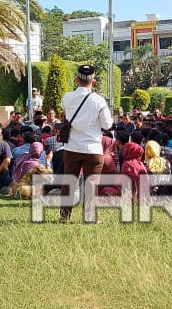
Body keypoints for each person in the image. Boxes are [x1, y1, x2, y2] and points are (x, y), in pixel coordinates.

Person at [58, 64, 113, 223]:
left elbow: (65, 111)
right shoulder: (99, 100)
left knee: (69, 182)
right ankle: (89, 217)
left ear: (77, 80)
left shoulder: (67, 97)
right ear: (93, 82)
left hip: (71, 148)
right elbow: (107, 125)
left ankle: (64, 216)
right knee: (91, 185)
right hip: (93, 148)